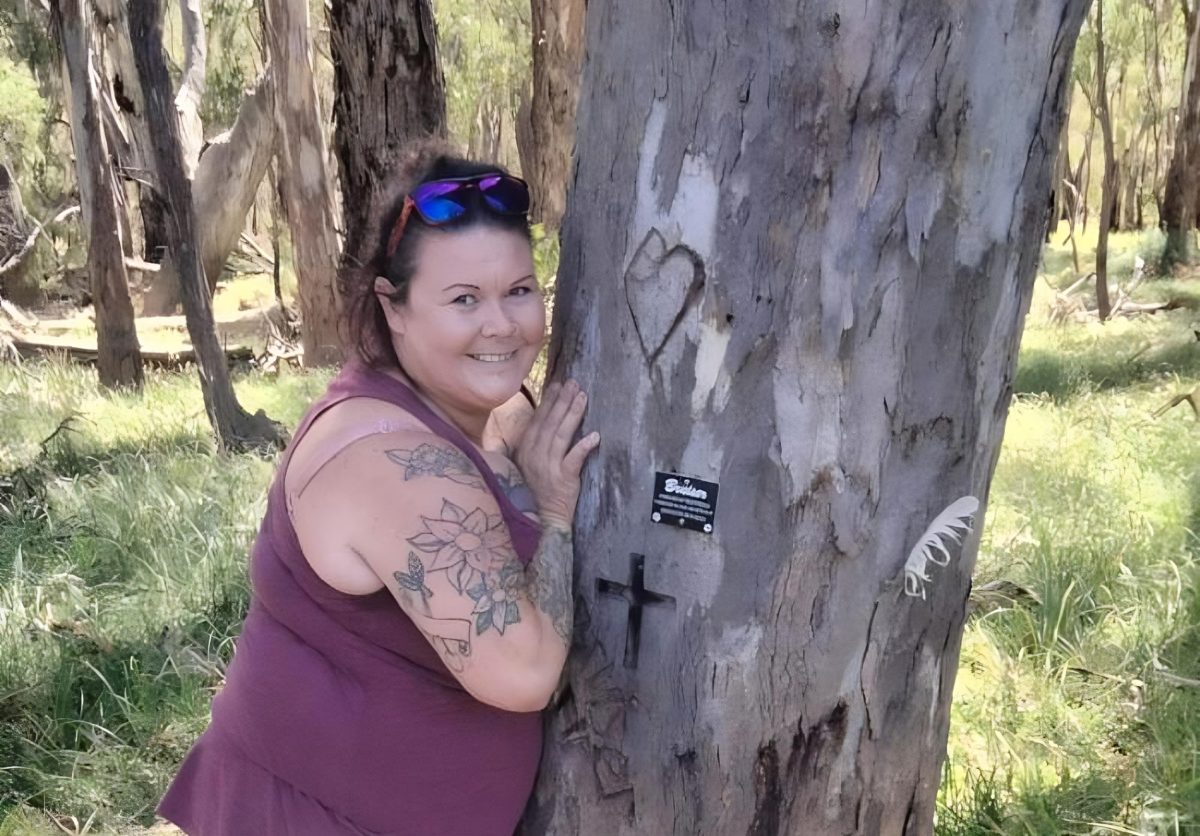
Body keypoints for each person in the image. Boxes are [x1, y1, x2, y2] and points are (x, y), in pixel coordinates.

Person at [157, 143, 600, 835]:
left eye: (518, 290)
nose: (502, 325)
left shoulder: (442, 398)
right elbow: (526, 673)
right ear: (393, 308)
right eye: (463, 300)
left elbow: (506, 405)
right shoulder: (393, 463)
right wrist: (555, 514)